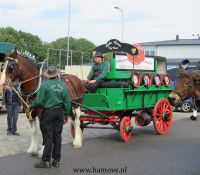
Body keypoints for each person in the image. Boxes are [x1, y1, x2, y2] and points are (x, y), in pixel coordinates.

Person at [28, 66, 71, 168]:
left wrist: (31, 105)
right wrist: (66, 114)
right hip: (60, 112)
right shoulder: (63, 85)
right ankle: (56, 161)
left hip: (49, 113)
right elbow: (68, 102)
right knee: (57, 136)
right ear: (56, 74)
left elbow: (39, 101)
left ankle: (46, 161)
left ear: (48, 75)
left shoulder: (45, 85)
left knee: (48, 137)